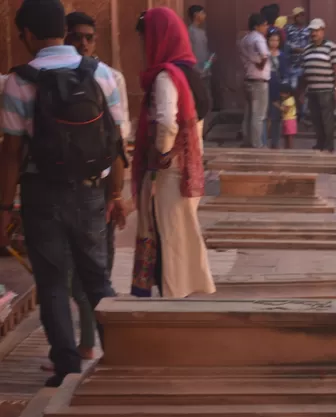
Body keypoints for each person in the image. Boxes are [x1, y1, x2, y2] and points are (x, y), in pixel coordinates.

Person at [0, 0, 127, 387]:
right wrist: (117, 194)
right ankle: (121, 359)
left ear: (26, 34)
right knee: (98, 279)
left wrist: (5, 207)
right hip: (90, 191)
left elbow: (11, 151)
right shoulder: (103, 74)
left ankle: (67, 366)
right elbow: (117, 141)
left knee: (52, 282)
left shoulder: (20, 81)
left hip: (41, 194)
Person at [131, 7, 214, 301]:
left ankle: (172, 303)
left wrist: (160, 153)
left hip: (170, 172)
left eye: (145, 39)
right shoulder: (190, 75)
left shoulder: (166, 77)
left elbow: (167, 121)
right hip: (189, 169)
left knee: (171, 240)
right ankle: (179, 299)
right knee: (180, 237)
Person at [62, 10, 131, 364]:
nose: (83, 43)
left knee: (94, 269)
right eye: (76, 36)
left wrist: (117, 194)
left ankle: (93, 342)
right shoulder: (49, 78)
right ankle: (89, 341)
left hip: (99, 184)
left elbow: (121, 139)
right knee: (78, 272)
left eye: (89, 37)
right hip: (61, 186)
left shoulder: (110, 77)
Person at [301, 18, 336, 152]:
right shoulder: (306, 49)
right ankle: (320, 142)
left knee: (327, 119)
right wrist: (302, 91)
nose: (314, 33)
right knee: (316, 119)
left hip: (326, 90)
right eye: (312, 31)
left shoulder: (331, 46)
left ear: (323, 31)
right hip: (311, 90)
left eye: (316, 30)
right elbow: (304, 71)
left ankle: (329, 145)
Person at [239, 13, 270, 148]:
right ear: (257, 26)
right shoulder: (259, 38)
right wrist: (261, 64)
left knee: (249, 113)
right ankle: (256, 144)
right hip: (259, 80)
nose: (266, 27)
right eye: (264, 25)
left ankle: (247, 141)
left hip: (248, 79)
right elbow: (264, 55)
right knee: (258, 115)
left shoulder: (245, 39)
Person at [266, 28, 291, 149]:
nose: (274, 43)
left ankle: (275, 143)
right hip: (266, 87)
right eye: (272, 40)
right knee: (265, 116)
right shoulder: (264, 54)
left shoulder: (282, 56)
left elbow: (285, 73)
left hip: (278, 88)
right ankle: (263, 141)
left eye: (277, 40)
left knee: (276, 117)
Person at [285, 7, 310, 120]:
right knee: (292, 89)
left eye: (303, 15)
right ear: (295, 17)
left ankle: (302, 114)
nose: (301, 17)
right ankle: (292, 113)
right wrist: (296, 49)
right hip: (292, 65)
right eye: (299, 15)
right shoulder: (288, 29)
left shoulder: (307, 30)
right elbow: (285, 44)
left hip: (304, 65)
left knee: (304, 91)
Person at [187, 5, 212, 75]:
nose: (205, 15)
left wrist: (208, 65)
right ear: (196, 14)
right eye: (203, 13)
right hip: (196, 72)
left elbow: (205, 52)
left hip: (205, 71)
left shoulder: (202, 32)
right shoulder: (190, 32)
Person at [277, 84, 297, 149]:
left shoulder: (290, 100)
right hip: (286, 119)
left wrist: (277, 106)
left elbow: (285, 110)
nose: (281, 95)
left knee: (289, 136)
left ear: (288, 93)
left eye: (283, 93)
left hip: (290, 120)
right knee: (286, 135)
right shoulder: (286, 100)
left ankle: (290, 148)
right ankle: (286, 148)